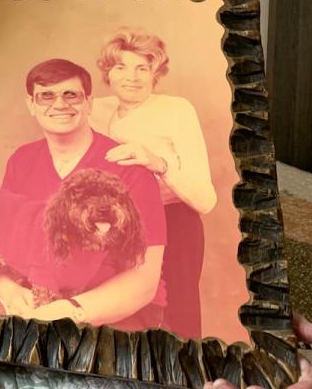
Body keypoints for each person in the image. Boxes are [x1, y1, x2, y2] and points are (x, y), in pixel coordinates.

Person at [0, 59, 168, 330]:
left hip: (115, 311)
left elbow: (144, 279)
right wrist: (7, 288)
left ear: (89, 103)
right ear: (31, 105)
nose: (59, 105)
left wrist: (70, 311)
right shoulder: (21, 160)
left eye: (71, 95)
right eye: (46, 96)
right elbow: (5, 244)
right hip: (41, 299)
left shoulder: (130, 169)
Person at [89, 28, 217, 339]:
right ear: (108, 72)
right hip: (115, 228)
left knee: (179, 316)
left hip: (174, 220)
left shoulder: (176, 110)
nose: (131, 77)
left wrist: (158, 163)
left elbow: (205, 200)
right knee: (116, 312)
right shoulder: (95, 109)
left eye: (142, 68)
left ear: (155, 72)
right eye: (121, 67)